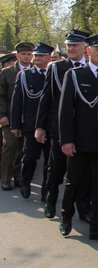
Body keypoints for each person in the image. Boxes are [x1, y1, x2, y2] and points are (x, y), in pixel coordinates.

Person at [58, 33, 98, 242]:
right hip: (81, 140)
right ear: (88, 51)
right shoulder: (75, 75)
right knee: (73, 181)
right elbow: (65, 110)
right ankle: (66, 217)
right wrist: (66, 140)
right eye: (97, 49)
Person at [36, 29, 92, 220]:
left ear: (86, 47)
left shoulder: (90, 69)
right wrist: (40, 126)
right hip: (59, 128)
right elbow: (47, 98)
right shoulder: (56, 68)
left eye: (75, 45)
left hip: (84, 130)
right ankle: (51, 201)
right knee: (56, 169)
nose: (71, 48)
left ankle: (83, 208)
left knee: (84, 174)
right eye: (69, 45)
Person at [11, 42, 53, 199]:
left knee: (49, 161)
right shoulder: (25, 75)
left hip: (50, 125)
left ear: (49, 58)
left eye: (41, 56)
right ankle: (25, 182)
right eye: (36, 55)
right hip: (31, 124)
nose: (37, 58)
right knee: (29, 157)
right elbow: (17, 101)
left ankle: (45, 191)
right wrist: (16, 124)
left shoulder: (53, 75)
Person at [0, 41, 34, 190]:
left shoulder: (35, 72)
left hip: (26, 117)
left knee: (22, 148)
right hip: (8, 116)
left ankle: (18, 176)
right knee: (10, 145)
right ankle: (6, 178)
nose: (26, 57)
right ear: (17, 55)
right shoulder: (7, 73)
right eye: (23, 54)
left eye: (29, 54)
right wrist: (2, 114)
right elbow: (0, 95)